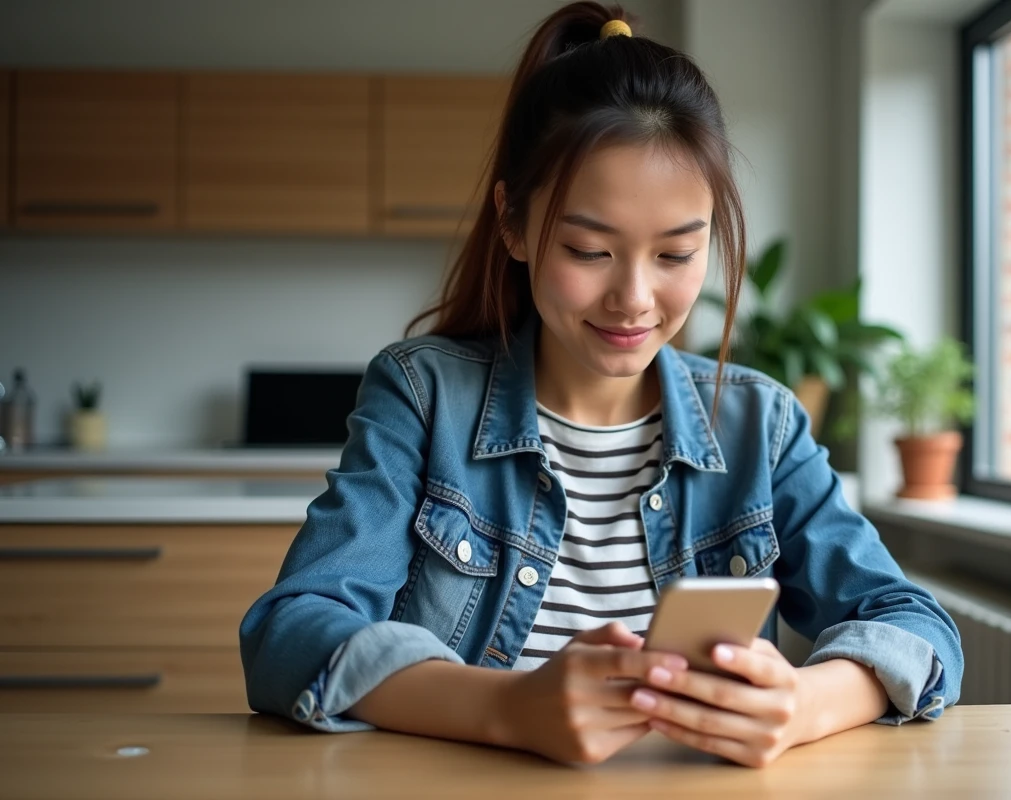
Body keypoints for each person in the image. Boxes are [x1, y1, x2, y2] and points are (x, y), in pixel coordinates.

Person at [240, 1, 962, 768]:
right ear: (513, 224)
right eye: (589, 250)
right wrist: (509, 707)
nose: (635, 300)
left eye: (677, 255)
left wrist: (804, 705)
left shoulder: (761, 424)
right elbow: (290, 633)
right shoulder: (423, 398)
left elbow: (915, 624)